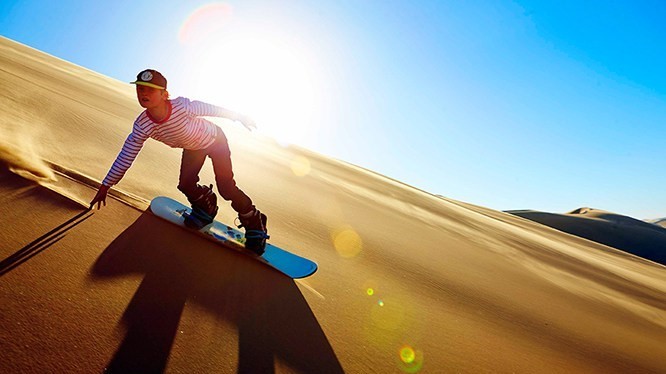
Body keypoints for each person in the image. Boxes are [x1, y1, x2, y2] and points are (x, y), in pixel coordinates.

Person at [89, 69, 268, 254]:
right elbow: (126, 156)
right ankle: (206, 206)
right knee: (185, 184)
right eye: (140, 89)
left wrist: (239, 116)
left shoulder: (181, 106)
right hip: (193, 148)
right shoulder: (142, 125)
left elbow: (211, 109)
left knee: (226, 187)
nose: (143, 93)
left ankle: (255, 222)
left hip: (215, 140)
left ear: (164, 94)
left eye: (150, 89)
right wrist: (106, 185)